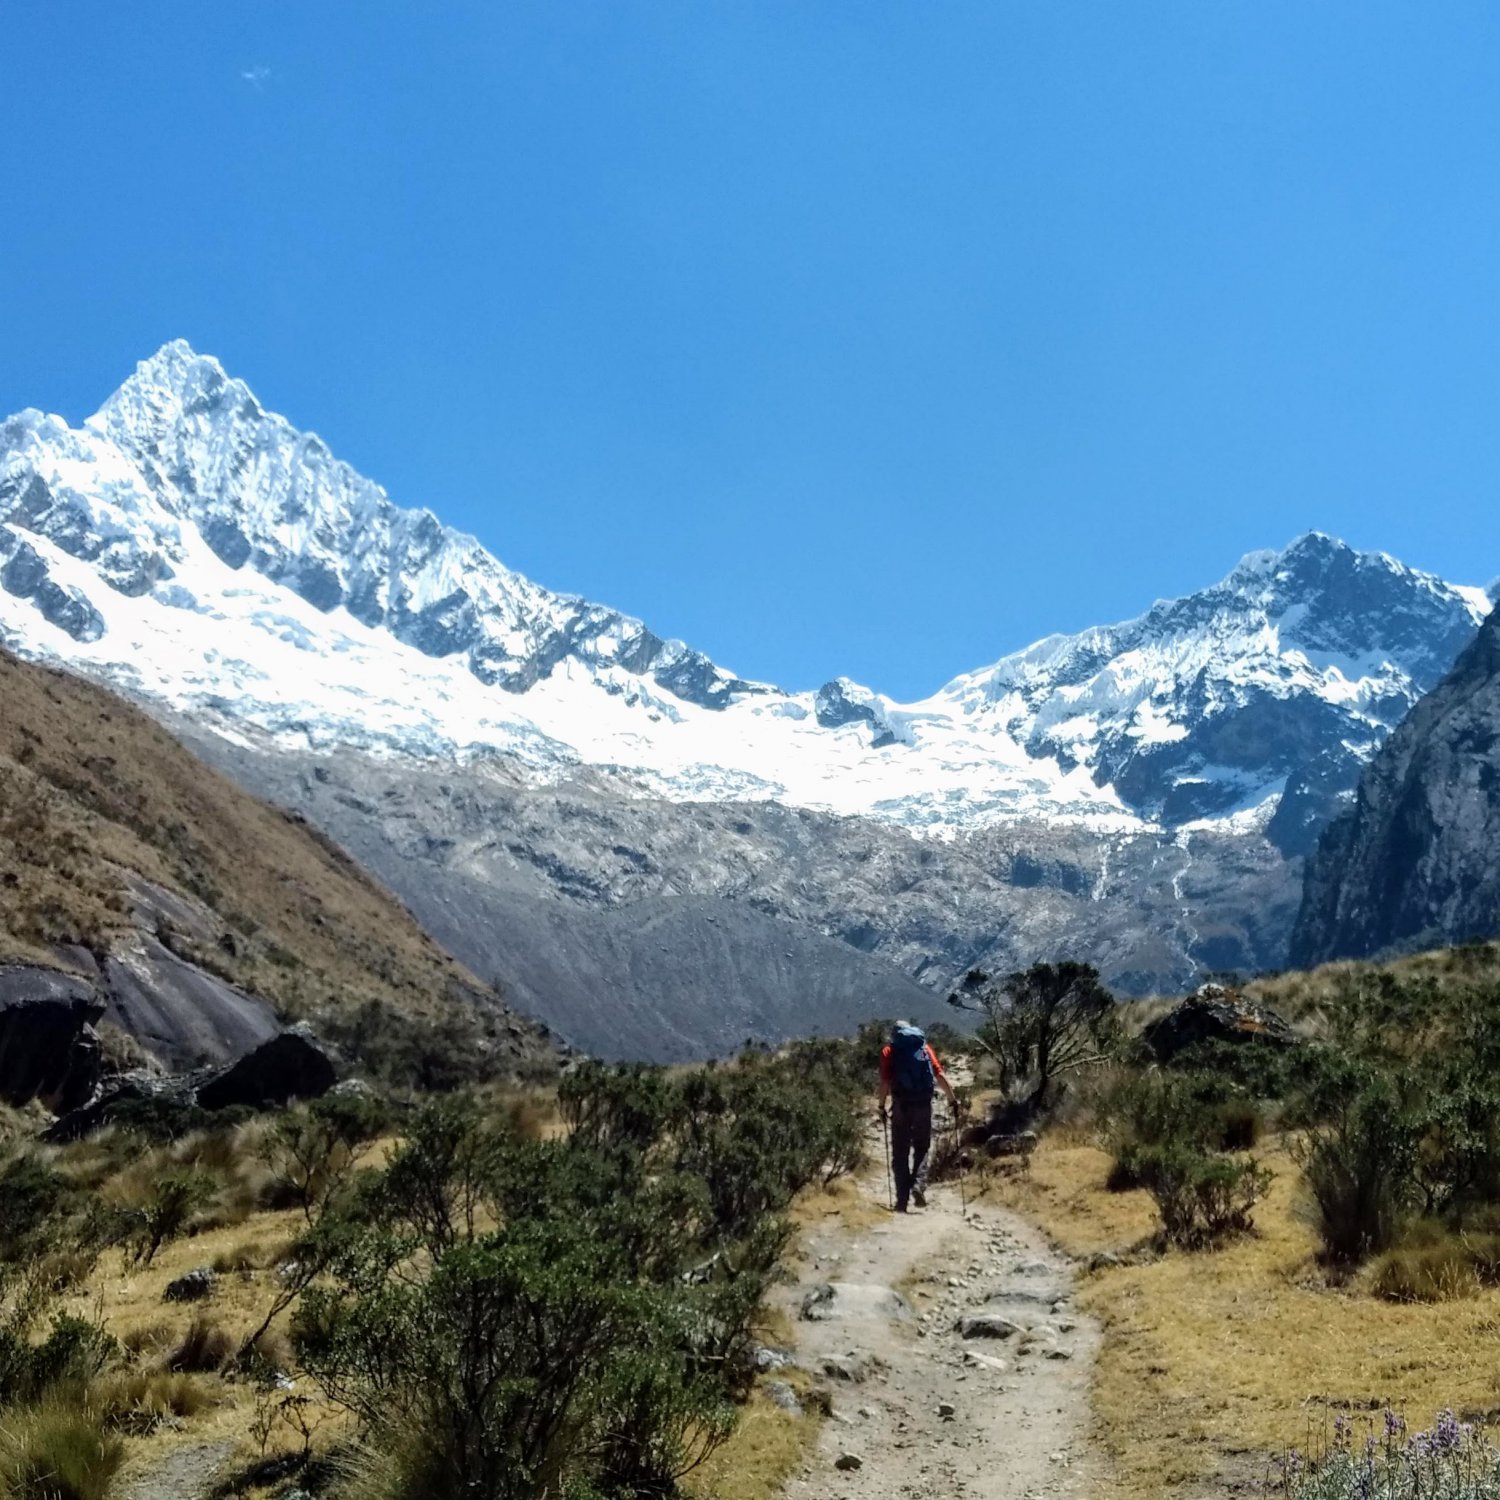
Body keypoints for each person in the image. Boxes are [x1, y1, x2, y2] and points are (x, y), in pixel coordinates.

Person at [878, 1022, 958, 1212]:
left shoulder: (889, 1051)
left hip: (901, 1106)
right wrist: (953, 1100)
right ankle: (918, 1185)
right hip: (923, 1104)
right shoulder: (924, 1048)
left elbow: (885, 1082)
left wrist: (881, 1106)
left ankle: (902, 1200)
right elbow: (939, 1075)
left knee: (900, 1152)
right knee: (922, 1148)